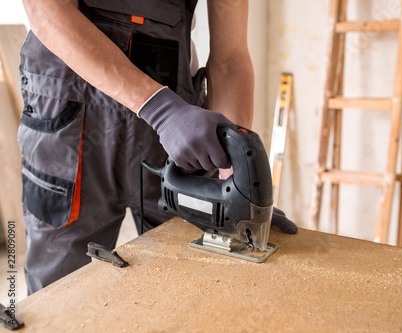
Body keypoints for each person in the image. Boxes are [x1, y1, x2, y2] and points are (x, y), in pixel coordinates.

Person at [19, 0, 297, 294]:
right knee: (61, 295)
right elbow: (46, 11)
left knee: (189, 287)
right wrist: (159, 108)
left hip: (179, 135)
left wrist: (238, 187)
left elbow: (230, 59)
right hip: (71, 121)